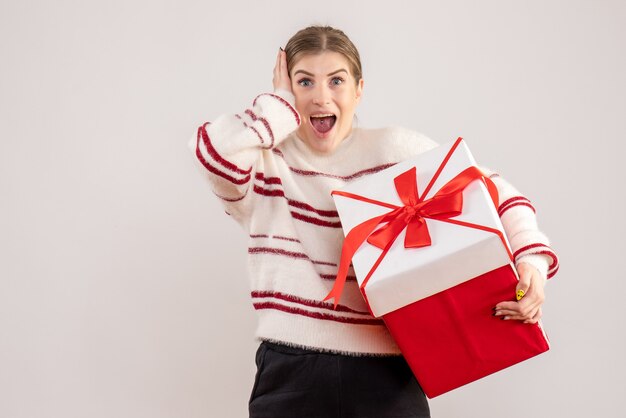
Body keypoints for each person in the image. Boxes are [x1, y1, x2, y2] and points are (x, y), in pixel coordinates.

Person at [189, 25, 559, 418]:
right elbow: (213, 152)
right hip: (289, 371)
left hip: (387, 374)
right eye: (304, 81)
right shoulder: (263, 163)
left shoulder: (395, 151)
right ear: (285, 89)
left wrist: (530, 264)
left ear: (359, 89)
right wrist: (277, 106)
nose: (320, 96)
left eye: (336, 80)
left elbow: (499, 194)